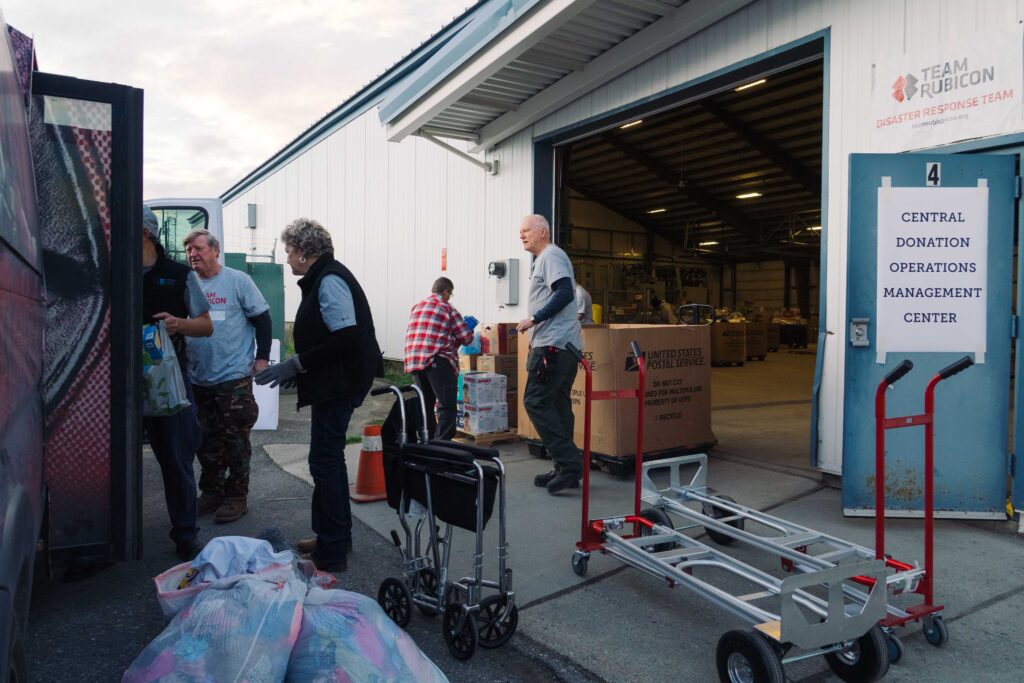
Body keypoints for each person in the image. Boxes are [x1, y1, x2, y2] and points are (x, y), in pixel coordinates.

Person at [255, 218, 381, 573]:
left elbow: (347, 338)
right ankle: (333, 536)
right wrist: (305, 370)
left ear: (306, 252)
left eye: (290, 251)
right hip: (336, 379)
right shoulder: (322, 278)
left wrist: (296, 365)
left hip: (342, 383)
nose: (287, 258)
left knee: (324, 460)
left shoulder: (330, 280)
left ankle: (333, 549)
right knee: (327, 460)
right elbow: (330, 335)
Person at [184, 229, 272, 524]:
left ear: (215, 250)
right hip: (198, 378)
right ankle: (212, 492)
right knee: (205, 442)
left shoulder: (238, 281)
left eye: (197, 248)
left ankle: (237, 497)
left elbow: (262, 318)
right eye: (188, 250)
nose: (192, 254)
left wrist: (261, 358)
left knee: (235, 440)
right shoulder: (188, 283)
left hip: (233, 377)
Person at [141, 207, 214, 561]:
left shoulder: (178, 275)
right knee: (111, 460)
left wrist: (178, 325)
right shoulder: (112, 273)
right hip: (116, 383)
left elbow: (205, 324)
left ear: (144, 233)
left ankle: (185, 534)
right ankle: (104, 541)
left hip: (166, 381)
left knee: (175, 457)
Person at [516, 215, 584, 495]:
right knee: (556, 403)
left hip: (555, 346)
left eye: (526, 231)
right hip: (561, 345)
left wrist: (534, 319)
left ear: (543, 232)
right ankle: (563, 468)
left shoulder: (551, 255)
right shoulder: (545, 259)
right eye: (520, 232)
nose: (521, 235)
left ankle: (570, 464)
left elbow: (565, 292)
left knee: (535, 401)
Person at [403, 277, 477, 440]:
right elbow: (465, 338)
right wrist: (469, 329)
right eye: (450, 294)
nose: (450, 297)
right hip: (436, 360)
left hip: (414, 360)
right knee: (446, 405)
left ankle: (428, 441)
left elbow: (432, 332)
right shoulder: (447, 308)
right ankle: (443, 444)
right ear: (446, 292)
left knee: (426, 404)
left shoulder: (418, 306)